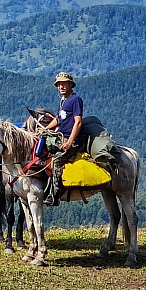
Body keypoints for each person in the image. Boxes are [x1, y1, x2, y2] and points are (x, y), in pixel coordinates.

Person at [43, 72, 88, 207]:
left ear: (70, 85)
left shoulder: (75, 100)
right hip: (61, 137)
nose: (61, 87)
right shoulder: (63, 100)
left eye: (64, 84)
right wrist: (45, 130)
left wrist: (69, 142)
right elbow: (58, 119)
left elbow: (78, 122)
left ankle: (55, 196)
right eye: (59, 84)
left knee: (57, 161)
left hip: (72, 139)